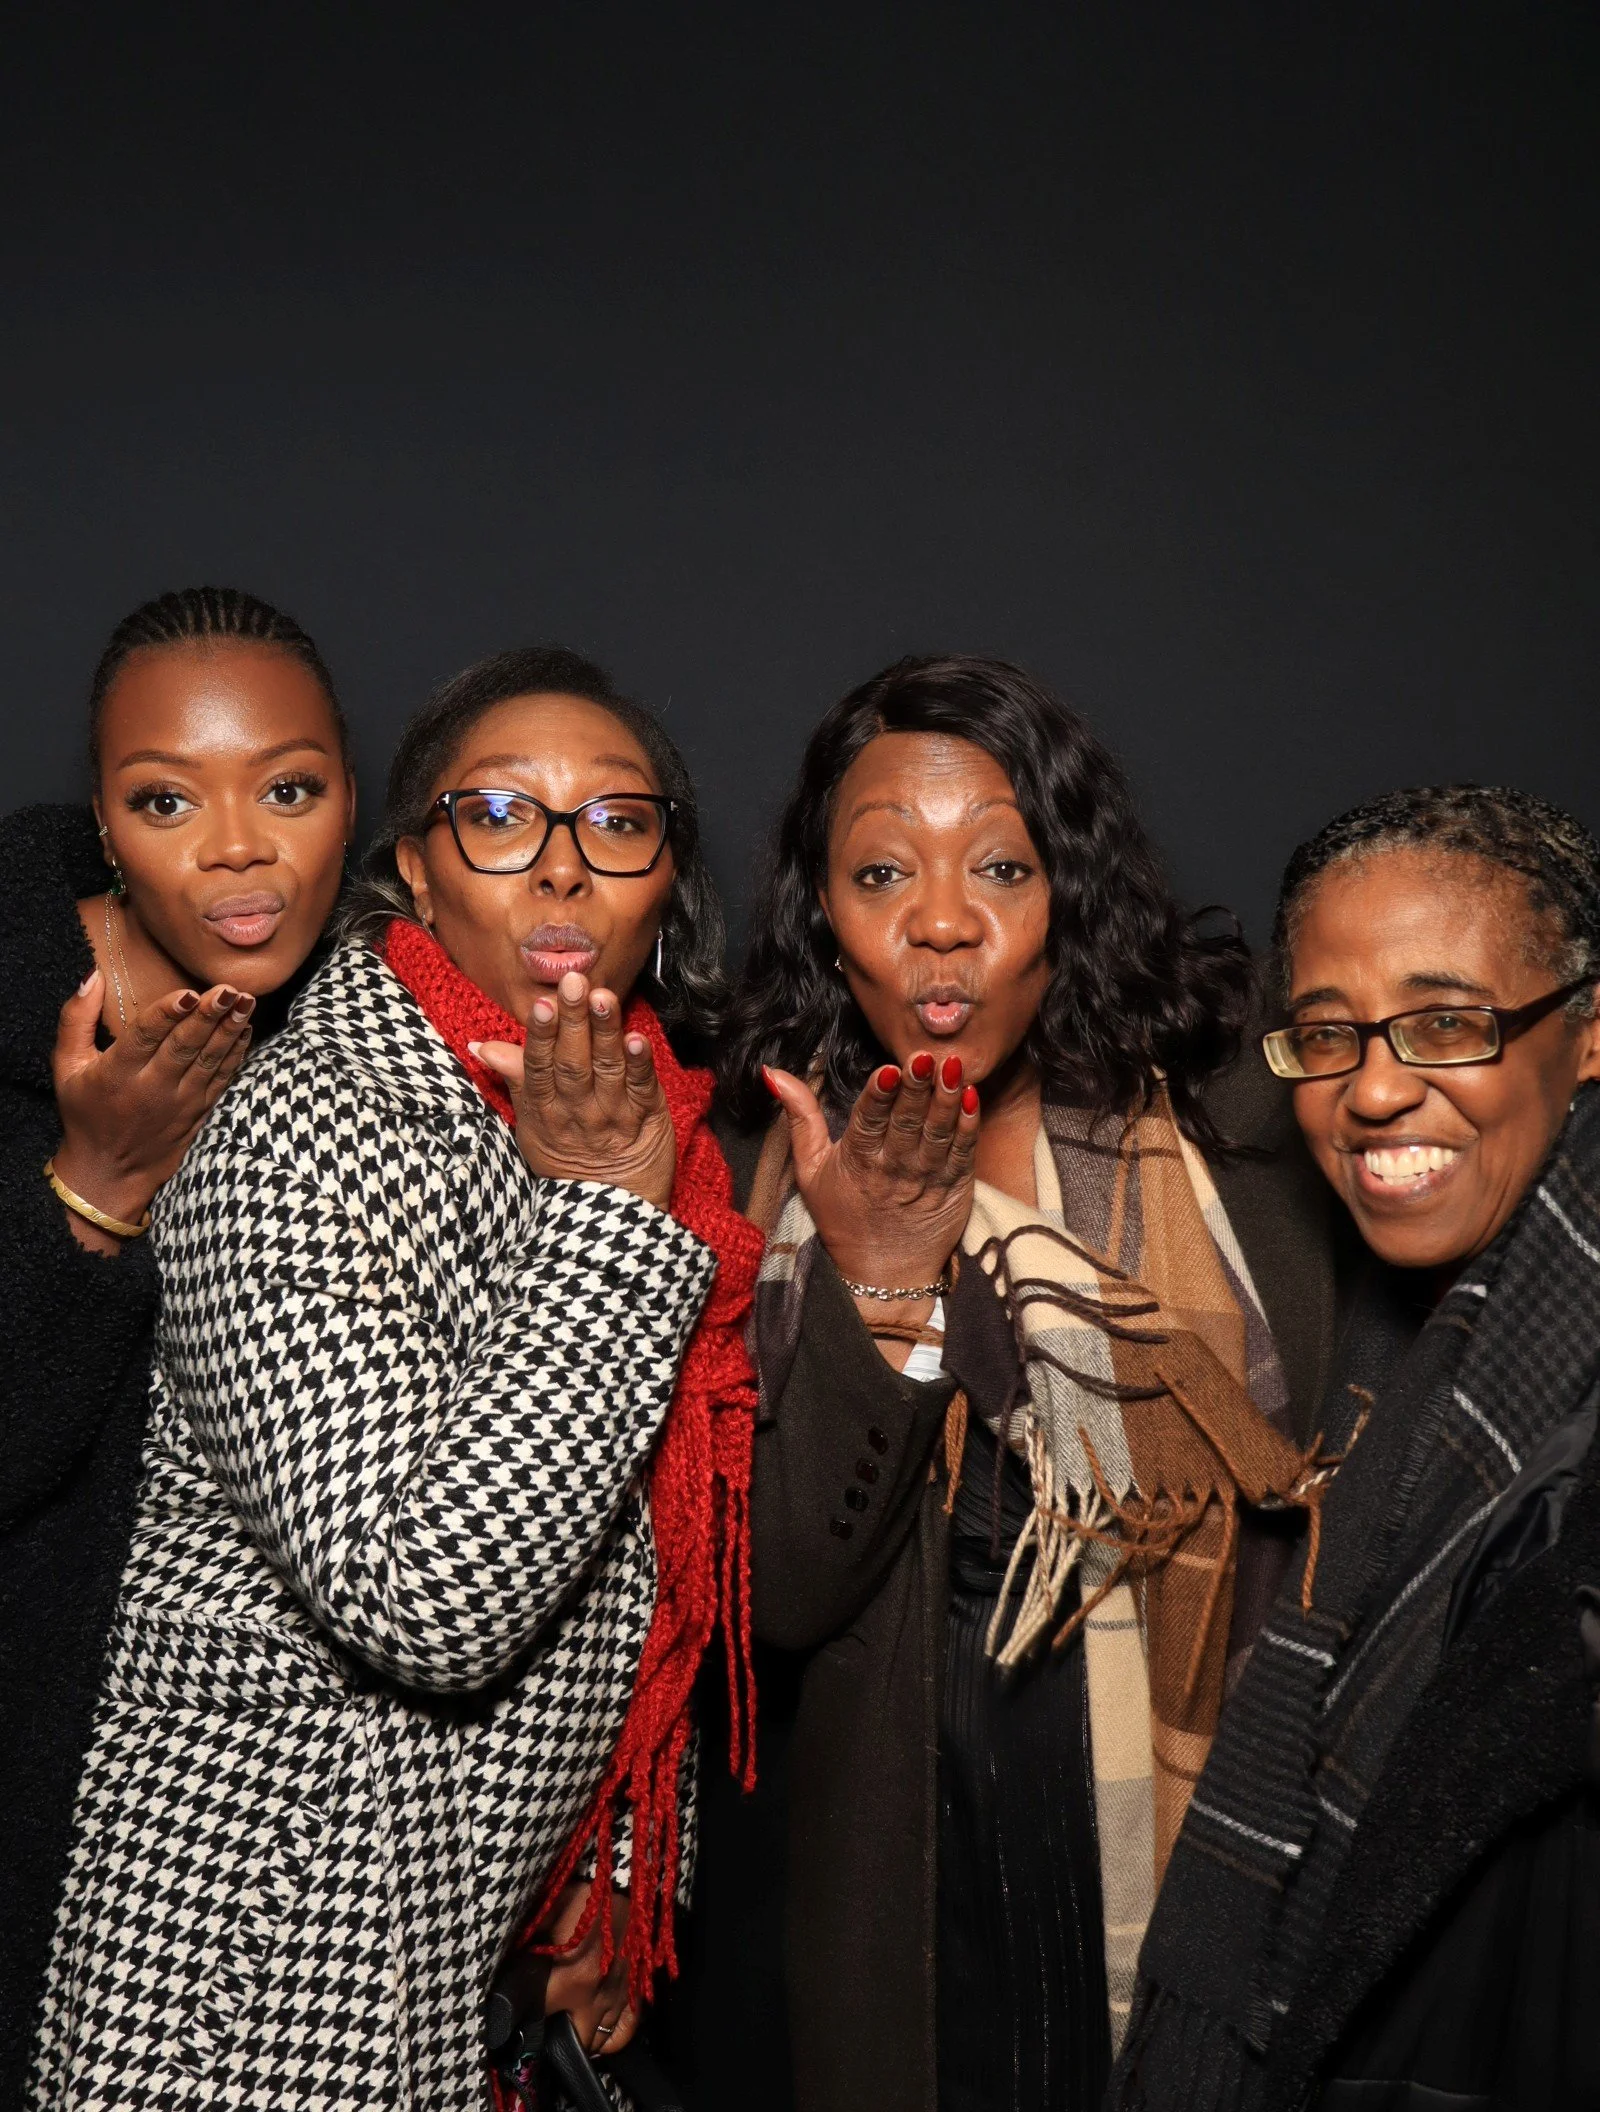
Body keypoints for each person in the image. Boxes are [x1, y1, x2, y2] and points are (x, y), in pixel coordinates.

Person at [28, 647, 762, 2110]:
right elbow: (422, 1598)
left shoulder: (650, 1130)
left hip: (433, 1954)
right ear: (417, 868)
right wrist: (606, 1223)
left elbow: (637, 1537)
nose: (562, 872)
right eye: (499, 816)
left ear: (665, 879)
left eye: (617, 824)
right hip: (249, 1992)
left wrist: (597, 1873)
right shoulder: (298, 1136)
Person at [692, 655, 1341, 2112]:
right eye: (880, 873)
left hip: (1208, 1831)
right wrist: (881, 1274)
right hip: (913, 1876)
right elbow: (782, 1591)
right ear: (824, 917)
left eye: (1001, 864)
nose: (940, 921)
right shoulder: (755, 1178)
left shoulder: (1242, 1132)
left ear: (1074, 894)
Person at [1115, 785, 1600, 2112]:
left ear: (1590, 1032)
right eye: (1326, 1036)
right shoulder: (1384, 1341)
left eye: (1449, 1023)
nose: (1375, 1090)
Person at [0, 586, 355, 2112]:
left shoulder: (373, 1041)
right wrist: (97, 1198)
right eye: (166, 799)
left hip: (264, 1881)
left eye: (289, 787)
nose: (236, 849)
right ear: (100, 820)